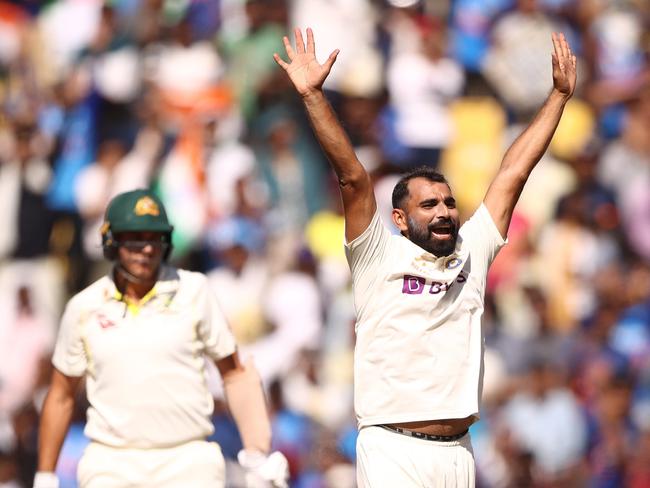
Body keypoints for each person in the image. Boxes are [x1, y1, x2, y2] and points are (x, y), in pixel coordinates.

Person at [274, 28, 576, 487]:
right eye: (428, 205)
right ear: (399, 217)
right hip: (392, 449)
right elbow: (353, 178)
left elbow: (513, 173)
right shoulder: (376, 255)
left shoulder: (471, 251)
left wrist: (557, 96)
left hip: (458, 453)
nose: (444, 212)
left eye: (449, 203)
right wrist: (314, 95)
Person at [33, 189, 289, 488]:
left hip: (188, 459)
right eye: (134, 238)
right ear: (111, 242)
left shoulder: (194, 291)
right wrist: (45, 474)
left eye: (154, 238)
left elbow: (234, 374)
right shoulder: (84, 307)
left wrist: (257, 451)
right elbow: (61, 394)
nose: (146, 249)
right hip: (111, 462)